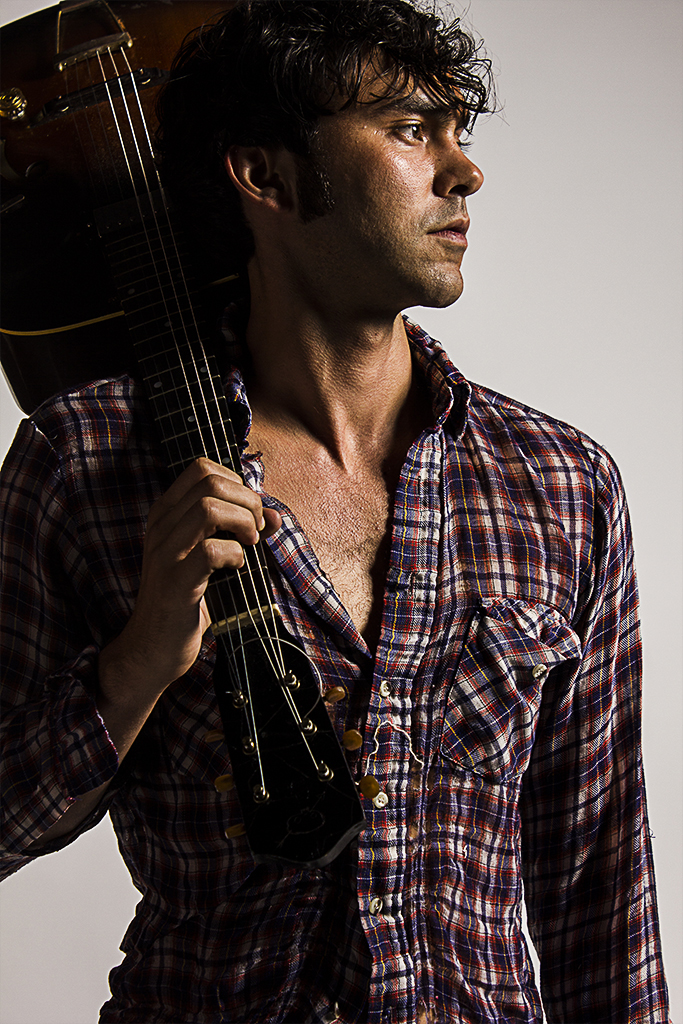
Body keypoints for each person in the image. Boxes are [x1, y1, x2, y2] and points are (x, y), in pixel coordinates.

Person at [0, 1, 670, 1021]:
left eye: (459, 131)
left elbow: (597, 884)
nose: (463, 172)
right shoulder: (82, 458)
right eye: (409, 130)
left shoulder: (560, 485)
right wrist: (138, 659)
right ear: (265, 176)